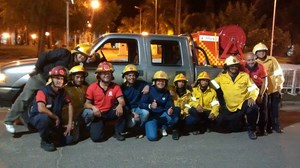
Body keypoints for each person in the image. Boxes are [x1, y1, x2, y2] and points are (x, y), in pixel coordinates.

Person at [4, 43, 91, 133]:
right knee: (25, 98)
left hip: (53, 86)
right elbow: (45, 56)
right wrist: (37, 69)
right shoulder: (64, 53)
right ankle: (8, 121)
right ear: (76, 52)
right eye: (81, 54)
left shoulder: (76, 66)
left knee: (48, 105)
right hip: (41, 78)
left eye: (85, 56)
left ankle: (43, 126)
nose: (82, 57)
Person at [211, 56, 259, 140]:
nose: (234, 68)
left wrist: (252, 97)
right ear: (227, 67)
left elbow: (254, 88)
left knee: (253, 108)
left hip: (242, 104)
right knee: (231, 128)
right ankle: (240, 123)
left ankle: (252, 130)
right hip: (229, 107)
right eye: (231, 66)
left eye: (236, 66)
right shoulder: (222, 77)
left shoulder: (244, 76)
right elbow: (212, 83)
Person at [29, 66, 73, 152]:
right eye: (56, 78)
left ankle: (52, 134)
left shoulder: (62, 92)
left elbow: (70, 105)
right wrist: (55, 117)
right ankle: (45, 140)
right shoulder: (42, 91)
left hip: (54, 121)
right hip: (39, 118)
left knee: (69, 140)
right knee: (43, 118)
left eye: (61, 78)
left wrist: (69, 123)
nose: (59, 80)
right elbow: (41, 108)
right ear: (51, 79)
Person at [82, 61, 127, 142]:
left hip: (110, 111)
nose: (106, 75)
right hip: (98, 114)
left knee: (125, 108)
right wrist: (93, 107)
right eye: (103, 73)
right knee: (97, 138)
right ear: (99, 75)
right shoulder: (92, 87)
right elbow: (86, 104)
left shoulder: (116, 86)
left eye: (108, 73)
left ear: (111, 74)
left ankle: (117, 131)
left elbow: (122, 100)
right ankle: (100, 127)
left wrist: (120, 105)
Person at [253, 42, 285, 133]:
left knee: (275, 109)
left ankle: (276, 126)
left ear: (266, 52)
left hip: (274, 88)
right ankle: (265, 127)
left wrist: (279, 85)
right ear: (255, 53)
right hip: (263, 89)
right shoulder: (255, 61)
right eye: (258, 52)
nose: (261, 53)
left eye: (263, 51)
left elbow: (278, 73)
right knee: (264, 109)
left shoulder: (272, 60)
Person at [139, 70, 180, 141]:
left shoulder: (167, 92)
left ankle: (163, 127)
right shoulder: (149, 90)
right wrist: (150, 106)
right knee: (152, 137)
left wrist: (170, 109)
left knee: (175, 118)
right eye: (158, 81)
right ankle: (155, 127)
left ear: (165, 82)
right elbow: (141, 104)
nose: (160, 83)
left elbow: (169, 104)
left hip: (162, 114)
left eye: (163, 81)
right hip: (151, 116)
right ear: (154, 81)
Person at [241, 52, 268, 136]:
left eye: (252, 59)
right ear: (245, 60)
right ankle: (245, 126)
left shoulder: (261, 67)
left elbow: (265, 82)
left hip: (260, 89)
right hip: (248, 90)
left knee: (262, 110)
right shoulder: (241, 66)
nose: (251, 62)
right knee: (247, 109)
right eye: (248, 60)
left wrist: (260, 95)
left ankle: (262, 129)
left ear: (255, 59)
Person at [61, 65, 89, 143]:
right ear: (72, 77)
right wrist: (69, 123)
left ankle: (84, 129)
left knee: (90, 113)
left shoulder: (86, 87)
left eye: (82, 77)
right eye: (77, 77)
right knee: (69, 140)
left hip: (79, 116)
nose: (80, 79)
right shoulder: (65, 89)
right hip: (68, 118)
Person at [120, 64, 149, 137]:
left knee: (146, 113)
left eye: (133, 75)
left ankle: (139, 129)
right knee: (132, 122)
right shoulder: (122, 88)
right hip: (128, 110)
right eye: (129, 75)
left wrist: (147, 87)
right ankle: (130, 129)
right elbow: (123, 105)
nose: (132, 77)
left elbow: (149, 84)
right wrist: (132, 113)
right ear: (125, 76)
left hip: (138, 107)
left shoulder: (140, 83)